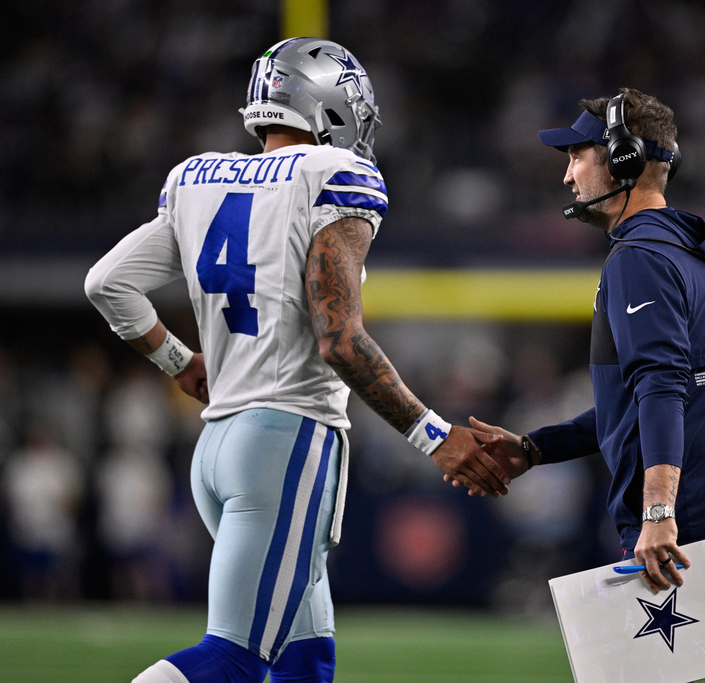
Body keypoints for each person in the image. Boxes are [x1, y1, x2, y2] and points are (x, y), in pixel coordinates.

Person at [84, 37, 509, 683]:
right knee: (232, 656)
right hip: (287, 438)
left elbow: (107, 282)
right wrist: (434, 436)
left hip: (221, 443)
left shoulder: (195, 177)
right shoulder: (335, 175)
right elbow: (339, 338)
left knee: (307, 660)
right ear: (329, 102)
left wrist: (179, 361)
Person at [465, 88, 705, 683]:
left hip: (694, 522)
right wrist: (539, 448)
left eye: (578, 156)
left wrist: (659, 512)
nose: (567, 175)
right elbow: (655, 396)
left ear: (621, 159)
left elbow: (664, 387)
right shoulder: (698, 248)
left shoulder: (638, 257)